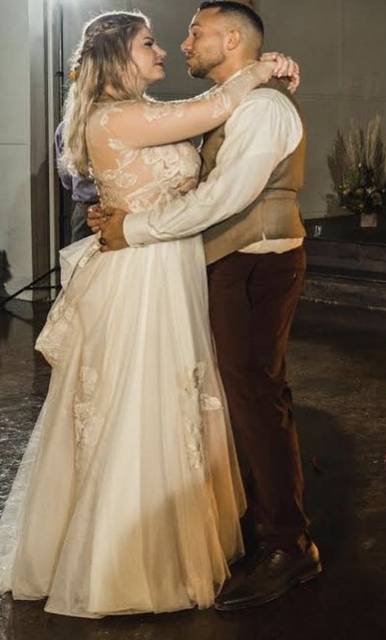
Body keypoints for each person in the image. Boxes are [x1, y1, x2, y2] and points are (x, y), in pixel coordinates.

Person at [0, 9, 299, 618]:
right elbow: (212, 110)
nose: (166, 49)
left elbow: (209, 127)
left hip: (162, 263)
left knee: (168, 398)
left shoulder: (140, 114)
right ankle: (127, 558)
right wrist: (267, 67)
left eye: (181, 36)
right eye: (150, 43)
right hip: (141, 272)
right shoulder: (121, 117)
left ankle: (182, 534)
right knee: (136, 402)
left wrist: (268, 71)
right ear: (117, 56)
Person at [93, 1, 317, 612]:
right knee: (242, 398)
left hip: (256, 264)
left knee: (255, 397)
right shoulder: (235, 102)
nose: (183, 41)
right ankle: (264, 531)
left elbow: (225, 197)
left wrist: (135, 229)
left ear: (233, 38)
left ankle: (287, 547)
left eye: (197, 32)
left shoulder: (265, 108)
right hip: (231, 264)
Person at [54, 121, 98, 242]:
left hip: (85, 204)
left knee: (81, 257)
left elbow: (66, 174)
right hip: (119, 205)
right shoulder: (114, 120)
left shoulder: (66, 127)